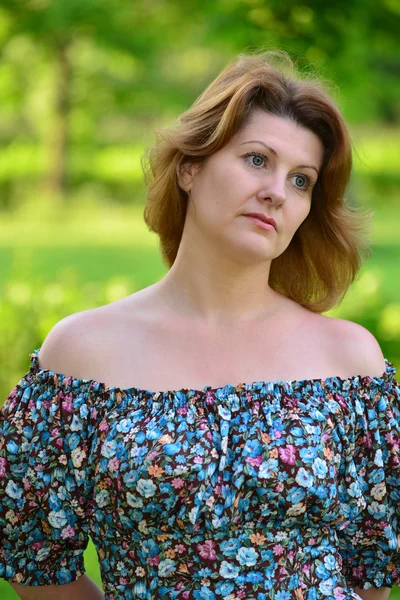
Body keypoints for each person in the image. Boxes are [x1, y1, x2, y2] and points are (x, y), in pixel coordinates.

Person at [1, 50, 399, 600]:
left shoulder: (351, 363)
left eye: (302, 180)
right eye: (257, 160)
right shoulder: (81, 354)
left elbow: (373, 571)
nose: (276, 192)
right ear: (190, 167)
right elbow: (34, 558)